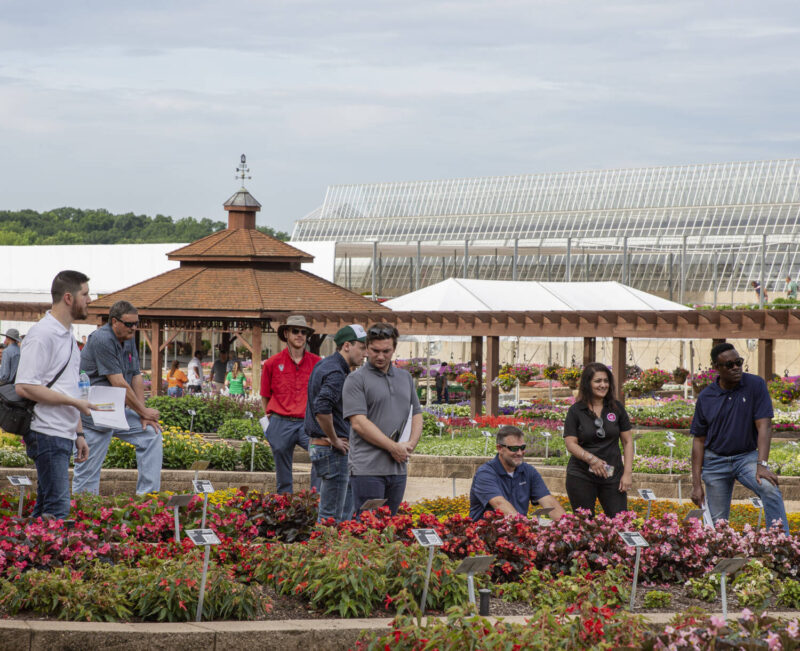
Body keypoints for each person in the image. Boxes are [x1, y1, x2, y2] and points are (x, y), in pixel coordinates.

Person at [15, 270, 93, 519]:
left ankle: (21, 556)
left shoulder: (68, 335)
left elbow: (67, 386)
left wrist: (78, 432)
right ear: (68, 298)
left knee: (46, 507)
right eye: (86, 294)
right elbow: (25, 386)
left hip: (62, 432)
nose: (90, 300)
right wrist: (74, 403)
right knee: (58, 508)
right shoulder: (42, 334)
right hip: (45, 431)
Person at [691, 343, 789, 533]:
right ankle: (719, 558)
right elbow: (698, 440)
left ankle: (780, 544)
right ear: (716, 368)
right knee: (717, 525)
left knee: (770, 489)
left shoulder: (755, 385)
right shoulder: (706, 397)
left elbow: (764, 425)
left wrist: (762, 464)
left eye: (739, 362)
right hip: (715, 461)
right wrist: (696, 484)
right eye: (729, 365)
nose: (736, 367)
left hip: (746, 458)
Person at [72, 300, 163, 496]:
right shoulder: (102, 339)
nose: (134, 328)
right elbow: (119, 382)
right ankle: (81, 517)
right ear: (115, 322)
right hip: (93, 416)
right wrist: (143, 410)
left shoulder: (129, 338)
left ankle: (147, 500)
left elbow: (136, 375)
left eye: (136, 323)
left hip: (115, 411)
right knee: (87, 476)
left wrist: (143, 415)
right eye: (129, 324)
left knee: (151, 434)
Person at [342, 322, 422, 515]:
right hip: (367, 469)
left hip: (398, 468)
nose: (380, 356)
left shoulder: (405, 378)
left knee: (390, 526)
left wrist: (410, 444)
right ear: (367, 348)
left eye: (386, 351)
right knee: (368, 528)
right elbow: (359, 423)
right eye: (375, 350)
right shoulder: (356, 379)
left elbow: (417, 414)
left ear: (394, 348)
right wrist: (393, 447)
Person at [305, 324, 367, 522]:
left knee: (331, 512)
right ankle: (325, 551)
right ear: (347, 345)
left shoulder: (327, 365)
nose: (365, 353)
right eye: (362, 347)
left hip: (323, 447)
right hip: (331, 450)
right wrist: (334, 439)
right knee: (331, 517)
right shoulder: (336, 372)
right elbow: (322, 408)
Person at [562, 362, 633, 518]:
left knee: (620, 520)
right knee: (585, 524)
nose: (603, 385)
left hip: (612, 475)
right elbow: (570, 443)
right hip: (581, 475)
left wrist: (627, 473)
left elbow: (627, 441)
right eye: (598, 381)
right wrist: (592, 460)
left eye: (606, 381)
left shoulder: (617, 408)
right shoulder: (576, 410)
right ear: (588, 384)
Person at [260, 315, 321, 494]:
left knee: (320, 454)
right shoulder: (272, 363)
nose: (300, 335)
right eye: (295, 331)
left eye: (303, 332)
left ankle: (315, 499)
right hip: (280, 421)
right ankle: (285, 505)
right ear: (286, 333)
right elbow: (265, 395)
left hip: (307, 423)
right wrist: (270, 425)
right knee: (282, 467)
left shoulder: (317, 363)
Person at [470, 425, 566, 521]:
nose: (520, 453)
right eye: (514, 448)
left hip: (517, 531)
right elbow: (499, 504)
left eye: (522, 447)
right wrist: (527, 527)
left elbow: (548, 501)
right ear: (499, 448)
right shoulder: (485, 473)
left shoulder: (528, 471)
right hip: (486, 533)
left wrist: (566, 524)